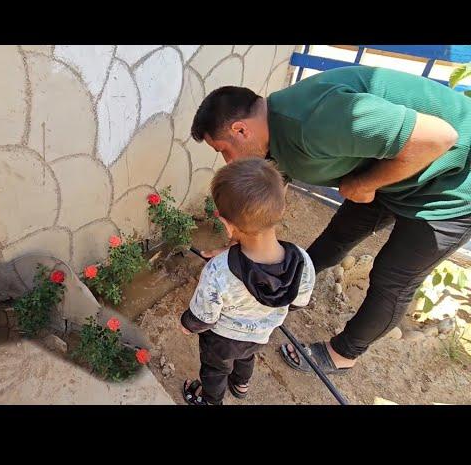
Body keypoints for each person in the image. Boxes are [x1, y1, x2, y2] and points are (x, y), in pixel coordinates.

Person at [189, 65, 471, 374]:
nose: (227, 161)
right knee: (339, 235)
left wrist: (365, 185)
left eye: (223, 151)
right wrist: (238, 252)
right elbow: (264, 196)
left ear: (241, 130)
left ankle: (343, 354)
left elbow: (440, 137)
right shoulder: (273, 132)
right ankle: (289, 288)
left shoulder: (317, 122)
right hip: (390, 172)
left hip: (451, 185)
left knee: (392, 279)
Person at [180, 158, 315, 404]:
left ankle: (211, 399)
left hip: (222, 339)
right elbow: (298, 302)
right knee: (245, 358)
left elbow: (204, 317)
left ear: (227, 225)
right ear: (281, 209)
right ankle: (241, 385)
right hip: (260, 334)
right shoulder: (303, 261)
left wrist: (187, 323)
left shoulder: (218, 270)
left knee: (215, 369)